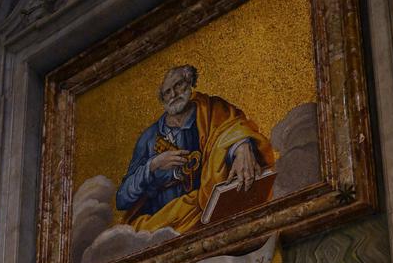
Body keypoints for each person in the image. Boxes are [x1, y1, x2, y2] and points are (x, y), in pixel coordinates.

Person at [115, 64, 274, 233]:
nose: (173, 95)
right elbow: (122, 199)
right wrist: (153, 165)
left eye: (178, 85)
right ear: (162, 100)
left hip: (213, 213)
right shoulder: (149, 138)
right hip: (165, 226)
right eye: (167, 92)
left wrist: (241, 146)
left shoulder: (212, 110)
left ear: (190, 81)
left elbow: (233, 127)